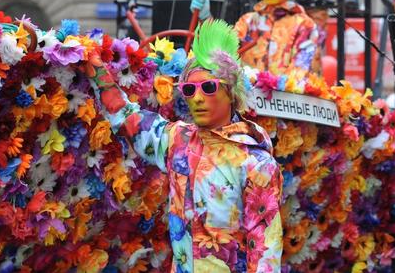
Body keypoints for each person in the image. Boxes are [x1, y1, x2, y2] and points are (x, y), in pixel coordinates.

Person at [91, 19, 283, 272]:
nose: (198, 98)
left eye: (209, 87)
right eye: (190, 90)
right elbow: (130, 120)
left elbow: (266, 245)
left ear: (232, 93)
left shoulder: (256, 162)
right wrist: (97, 71)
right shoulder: (177, 140)